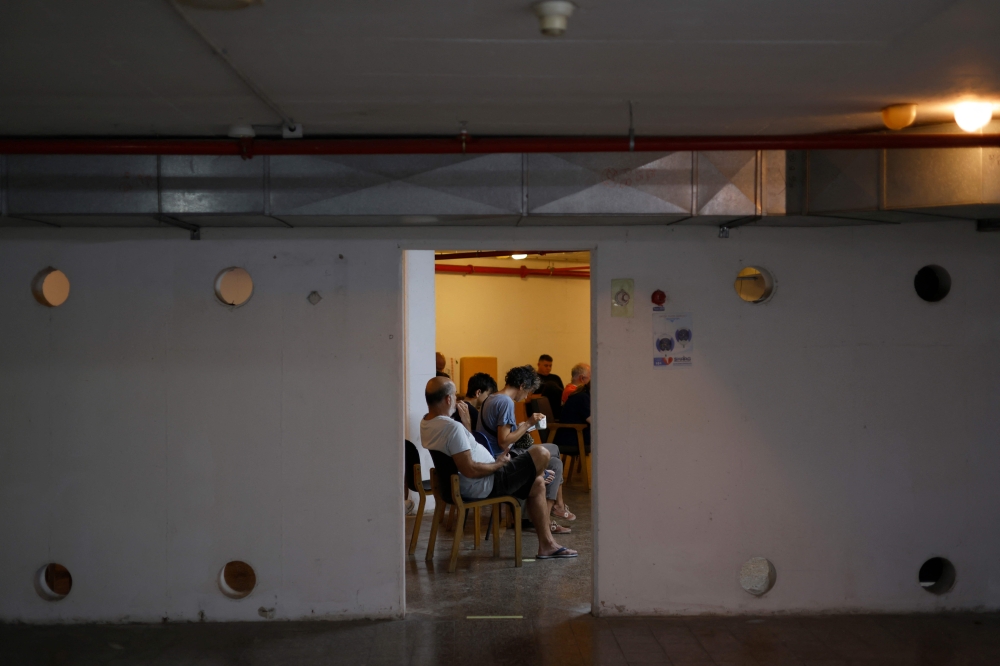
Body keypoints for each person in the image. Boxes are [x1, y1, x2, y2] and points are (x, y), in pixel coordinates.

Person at [420, 377, 577, 559]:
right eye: (455, 395)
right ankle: (539, 475)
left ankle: (547, 545)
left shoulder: (427, 423)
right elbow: (470, 469)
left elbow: (463, 452)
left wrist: (467, 427)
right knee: (541, 453)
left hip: (464, 483)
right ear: (448, 399)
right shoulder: (452, 428)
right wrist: (500, 463)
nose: (457, 399)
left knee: (538, 483)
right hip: (484, 482)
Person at [478, 365, 574, 531]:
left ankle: (548, 514)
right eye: (528, 390)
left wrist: (521, 427)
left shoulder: (492, 398)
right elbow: (504, 441)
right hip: (503, 456)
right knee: (554, 451)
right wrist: (529, 423)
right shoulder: (506, 402)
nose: (527, 396)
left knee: (555, 462)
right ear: (522, 385)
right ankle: (553, 511)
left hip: (492, 454)